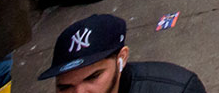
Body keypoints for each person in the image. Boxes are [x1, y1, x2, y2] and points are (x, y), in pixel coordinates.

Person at [39, 14, 205, 93]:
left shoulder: (177, 89)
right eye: (64, 87)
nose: (79, 92)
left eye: (92, 77)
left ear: (121, 58)